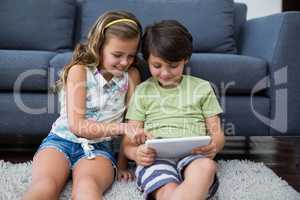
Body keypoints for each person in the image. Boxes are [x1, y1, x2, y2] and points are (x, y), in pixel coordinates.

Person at [23, 10, 149, 200]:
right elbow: (78, 126)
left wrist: (122, 164)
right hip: (60, 141)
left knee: (87, 188)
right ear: (99, 47)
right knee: (45, 185)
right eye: (117, 54)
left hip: (100, 148)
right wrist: (122, 128)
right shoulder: (79, 71)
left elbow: (133, 122)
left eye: (131, 56)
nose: (125, 62)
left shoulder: (131, 76)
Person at [122, 20, 225, 200]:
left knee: (206, 167)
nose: (165, 73)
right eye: (157, 66)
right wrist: (135, 154)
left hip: (194, 155)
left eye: (173, 65)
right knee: (165, 189)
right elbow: (128, 142)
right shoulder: (142, 91)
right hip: (155, 158)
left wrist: (214, 146)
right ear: (147, 61)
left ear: (185, 59)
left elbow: (217, 133)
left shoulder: (202, 87)